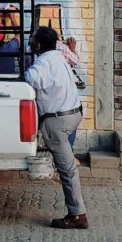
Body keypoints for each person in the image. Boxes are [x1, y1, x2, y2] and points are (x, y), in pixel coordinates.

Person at [25, 26, 87, 229]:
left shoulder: (43, 62)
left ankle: (77, 215)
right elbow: (74, 59)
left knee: (68, 170)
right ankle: (77, 212)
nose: (31, 42)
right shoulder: (59, 55)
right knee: (68, 165)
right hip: (74, 115)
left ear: (39, 44)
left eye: (33, 39)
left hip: (57, 123)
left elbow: (31, 79)